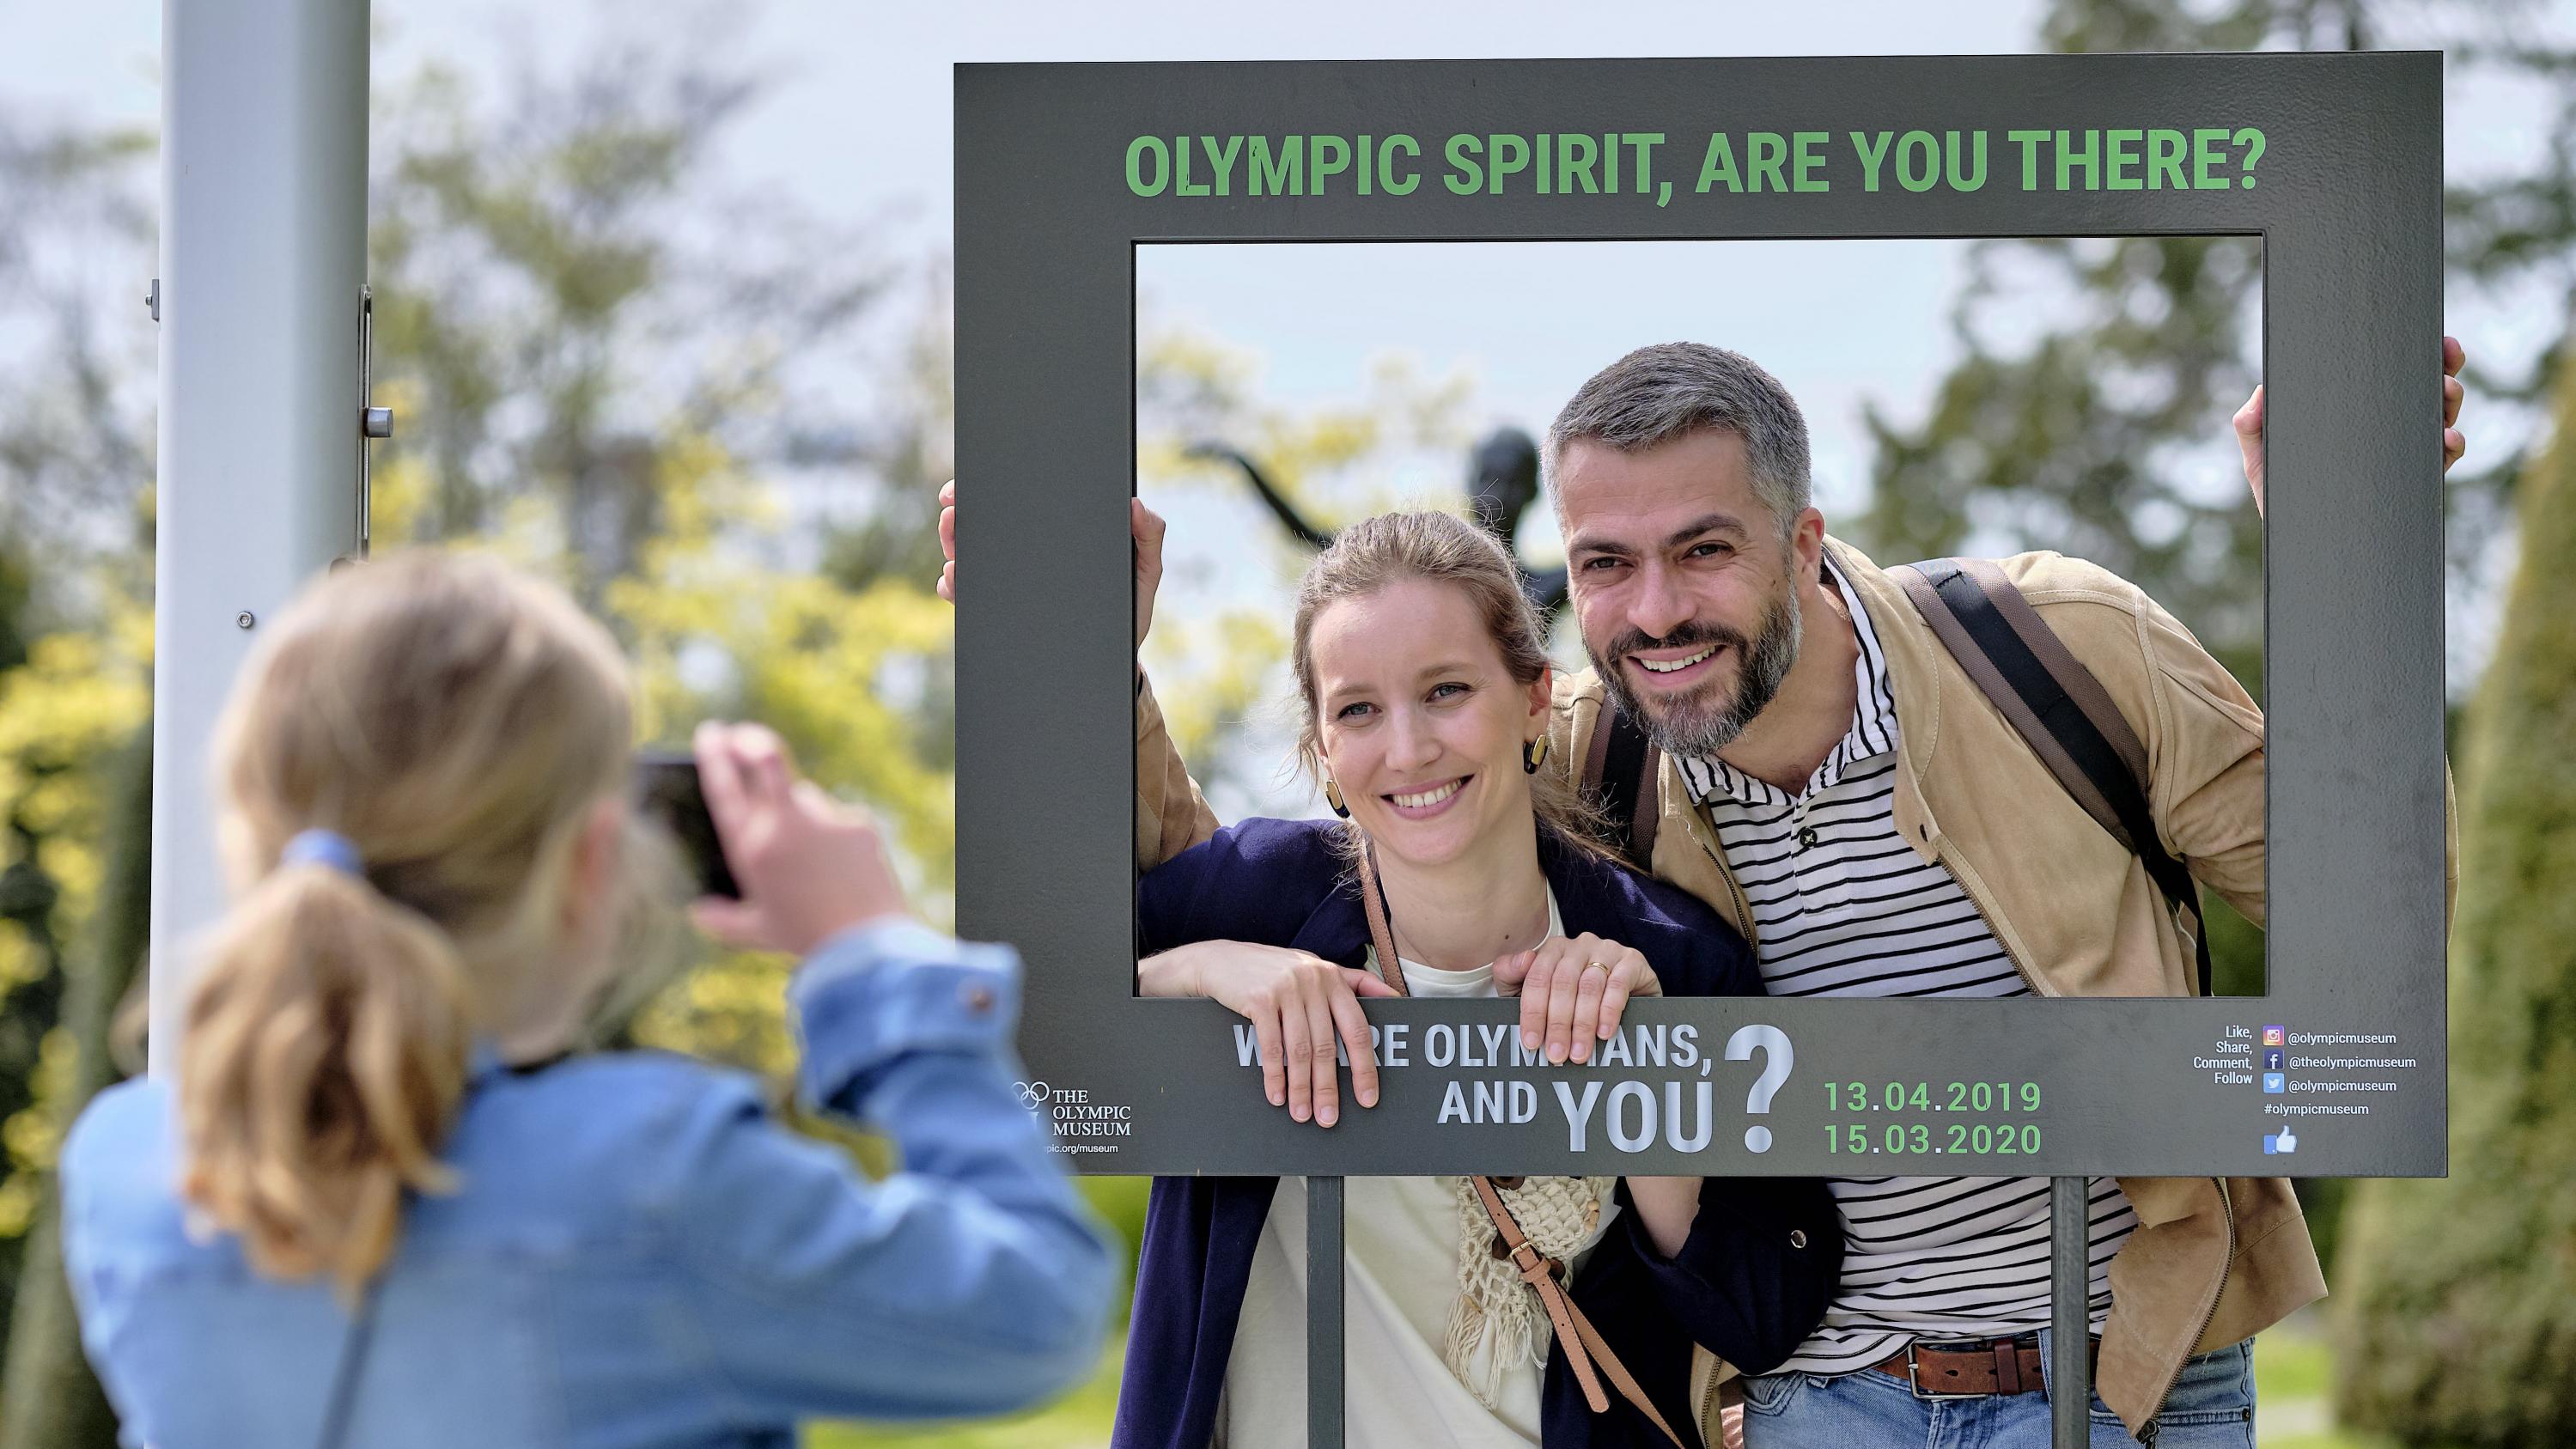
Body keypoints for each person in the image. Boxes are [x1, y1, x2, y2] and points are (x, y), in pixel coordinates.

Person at [1014, 339, 2471, 1448]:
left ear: (1804, 540)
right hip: (1810, 1404)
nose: (1653, 610)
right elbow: (1282, 877)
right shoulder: (1587, 749)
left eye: (1700, 550)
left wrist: (2350, 552)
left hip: (2120, 1369)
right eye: (1603, 564)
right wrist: (1085, 651)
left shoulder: (2056, 649)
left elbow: (2371, 912)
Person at [61, 551, 1116, 1449]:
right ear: (595, 862)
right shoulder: (654, 1172)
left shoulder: (126, 1168)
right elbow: (1036, 1307)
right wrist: (868, 954)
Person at [1111, 509, 1837, 1449]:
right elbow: (1013, 1029)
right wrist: (1193, 968)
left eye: (1445, 690)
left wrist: (1652, 1077)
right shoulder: (1248, 899)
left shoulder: (1671, 953)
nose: (1407, 749)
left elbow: (1762, 1316)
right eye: (1358, 709)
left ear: (1534, 698)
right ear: (1322, 747)